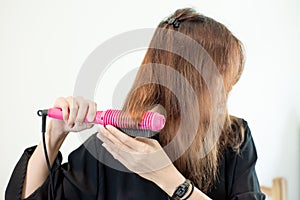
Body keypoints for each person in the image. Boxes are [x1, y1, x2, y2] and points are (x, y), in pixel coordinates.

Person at [6, 8, 265, 200]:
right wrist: (53, 136)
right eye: (221, 78)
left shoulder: (234, 138)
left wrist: (169, 178)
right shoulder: (113, 144)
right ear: (190, 81)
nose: (227, 90)